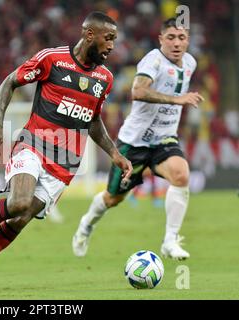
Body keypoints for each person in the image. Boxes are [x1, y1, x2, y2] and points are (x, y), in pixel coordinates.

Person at [0, 12, 132, 293]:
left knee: (19, 220)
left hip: (65, 164)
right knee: (18, 203)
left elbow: (92, 119)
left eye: (115, 39)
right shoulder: (52, 59)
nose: (112, 46)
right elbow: (9, 82)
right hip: (34, 145)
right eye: (109, 38)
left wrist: (114, 154)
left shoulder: (105, 78)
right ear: (90, 35)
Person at [72, 18, 204, 260]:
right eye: (171, 37)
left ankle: (170, 241)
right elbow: (138, 91)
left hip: (164, 139)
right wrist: (177, 100)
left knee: (181, 174)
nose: (177, 43)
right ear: (161, 39)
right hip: (133, 143)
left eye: (182, 38)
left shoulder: (190, 63)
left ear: (188, 40)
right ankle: (86, 224)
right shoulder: (153, 60)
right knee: (113, 199)